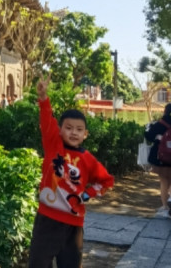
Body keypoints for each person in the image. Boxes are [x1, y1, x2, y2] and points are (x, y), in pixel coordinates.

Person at [28, 77, 114, 268]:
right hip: (47, 220)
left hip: (74, 224)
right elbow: (46, 119)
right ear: (59, 130)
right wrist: (43, 98)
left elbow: (107, 181)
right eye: (68, 128)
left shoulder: (88, 159)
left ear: (85, 134)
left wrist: (87, 194)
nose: (74, 133)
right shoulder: (53, 145)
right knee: (38, 264)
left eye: (79, 129)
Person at [144, 103, 171, 219]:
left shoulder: (159, 124)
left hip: (160, 157)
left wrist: (148, 129)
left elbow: (149, 136)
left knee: (163, 181)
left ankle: (165, 207)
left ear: (165, 111)